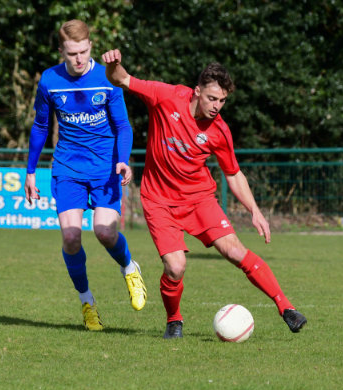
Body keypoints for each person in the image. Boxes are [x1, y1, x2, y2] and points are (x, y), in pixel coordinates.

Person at [101, 49, 307, 338]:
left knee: (235, 251)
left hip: (198, 199)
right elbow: (121, 78)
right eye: (212, 98)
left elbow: (233, 174)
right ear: (197, 91)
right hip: (158, 200)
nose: (216, 106)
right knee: (175, 267)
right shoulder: (166, 96)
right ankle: (174, 320)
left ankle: (286, 308)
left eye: (222, 101)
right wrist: (114, 64)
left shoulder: (219, 131)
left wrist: (255, 211)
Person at [24, 20, 147, 331]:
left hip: (105, 168)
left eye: (83, 51)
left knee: (104, 233)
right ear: (61, 51)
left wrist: (123, 161)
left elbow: (123, 126)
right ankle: (87, 302)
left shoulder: (107, 78)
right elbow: (40, 126)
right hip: (67, 168)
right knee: (70, 238)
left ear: (90, 46)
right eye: (71, 53)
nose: (78, 59)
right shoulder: (50, 80)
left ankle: (129, 267)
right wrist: (30, 172)